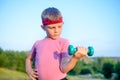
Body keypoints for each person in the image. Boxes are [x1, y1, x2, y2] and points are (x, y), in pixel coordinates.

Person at [25, 7, 88, 80]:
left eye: (59, 26)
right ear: (43, 27)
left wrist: (75, 58)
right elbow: (29, 59)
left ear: (63, 24)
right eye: (52, 28)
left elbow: (64, 69)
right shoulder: (37, 43)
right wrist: (28, 69)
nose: (56, 30)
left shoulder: (64, 42)